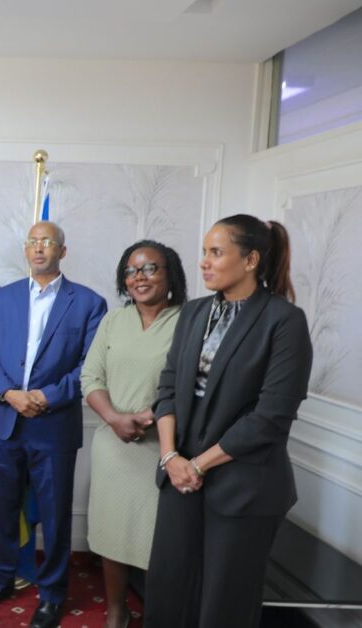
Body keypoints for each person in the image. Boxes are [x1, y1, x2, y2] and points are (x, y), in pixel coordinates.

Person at [145, 215, 312, 628]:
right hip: (180, 479)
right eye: (204, 252)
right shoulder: (193, 312)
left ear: (251, 259)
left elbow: (270, 418)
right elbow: (167, 388)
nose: (204, 261)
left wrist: (198, 465)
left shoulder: (284, 321)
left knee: (224, 606)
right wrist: (170, 458)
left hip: (244, 486)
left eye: (216, 252)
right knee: (168, 593)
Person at [0, 221, 107, 628]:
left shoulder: (88, 303)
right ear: (26, 250)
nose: (39, 248)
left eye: (47, 242)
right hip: (5, 420)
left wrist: (48, 396)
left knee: (55, 513)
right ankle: (0, 578)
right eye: (32, 241)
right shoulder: (4, 297)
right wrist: (9, 394)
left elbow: (89, 365)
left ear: (62, 251)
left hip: (53, 425)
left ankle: (52, 594)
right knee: (3, 507)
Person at [80, 240, 188, 628]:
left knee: (158, 540)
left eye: (150, 268)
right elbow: (90, 377)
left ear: (170, 274)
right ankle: (117, 611)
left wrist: (148, 417)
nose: (139, 277)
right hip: (114, 447)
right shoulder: (114, 320)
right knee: (113, 535)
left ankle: (158, 614)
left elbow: (194, 385)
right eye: (131, 271)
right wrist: (115, 418)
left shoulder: (189, 320)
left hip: (165, 448)